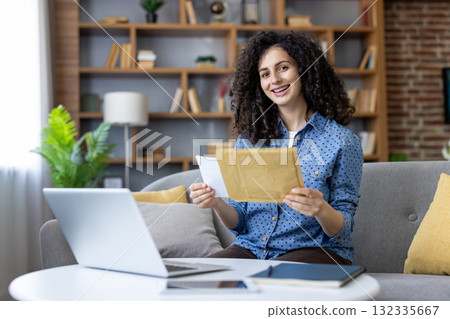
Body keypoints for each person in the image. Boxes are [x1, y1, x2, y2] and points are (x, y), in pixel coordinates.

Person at [190, 31, 363, 265]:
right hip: (252, 249)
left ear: (304, 69)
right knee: (201, 276)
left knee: (277, 285)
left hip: (315, 250)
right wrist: (216, 203)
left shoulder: (343, 141)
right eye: (265, 74)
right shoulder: (250, 140)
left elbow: (343, 230)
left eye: (282, 68)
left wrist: (321, 209)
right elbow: (239, 222)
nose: (274, 80)